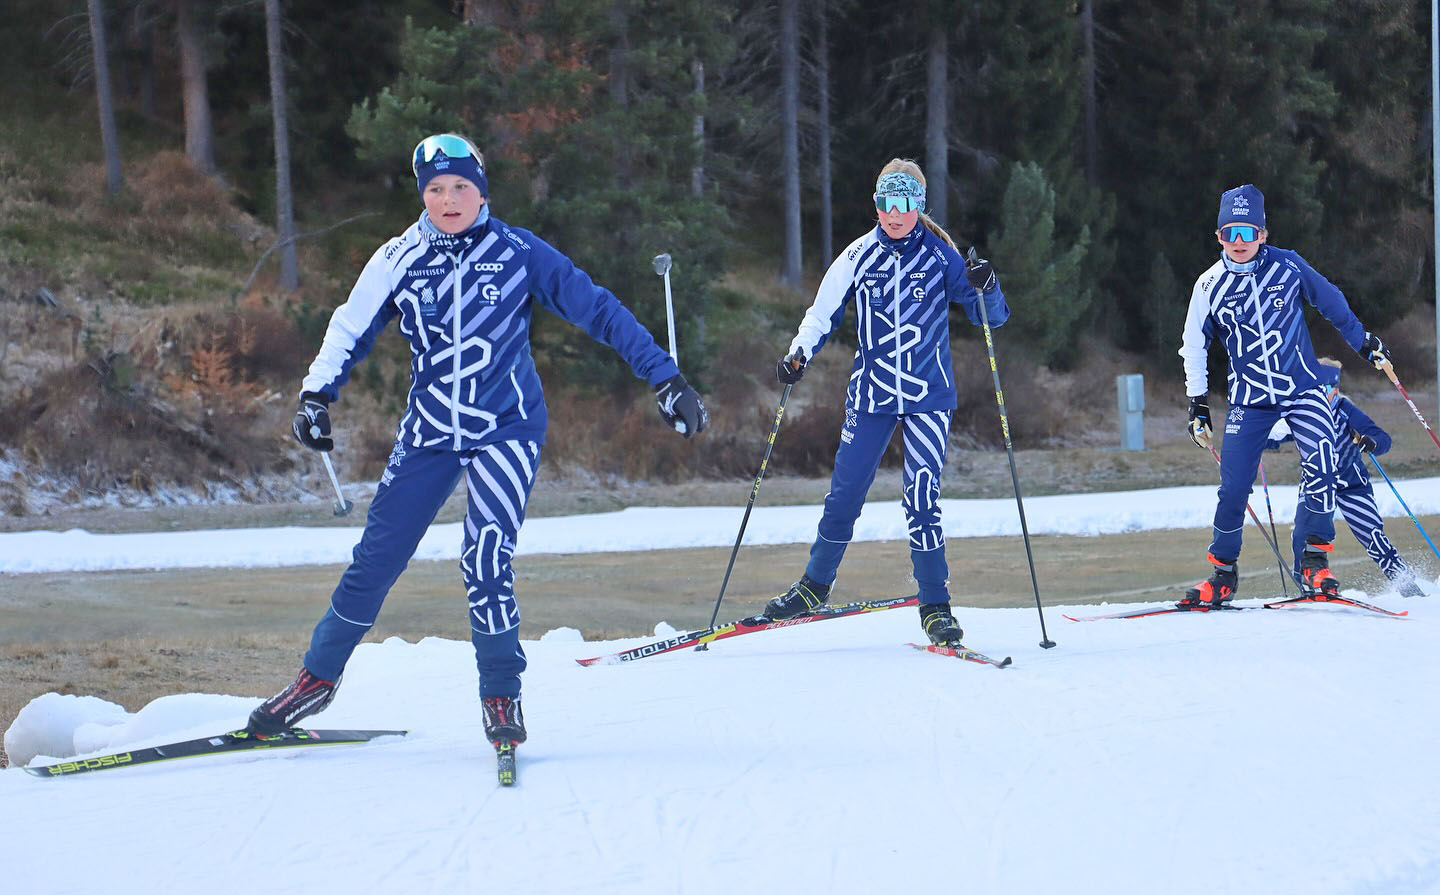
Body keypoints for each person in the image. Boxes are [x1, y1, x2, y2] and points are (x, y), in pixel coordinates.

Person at [248, 133, 708, 749]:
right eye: (435, 189)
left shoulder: (518, 251)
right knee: (374, 562)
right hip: (431, 432)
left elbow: (596, 308)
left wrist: (665, 376)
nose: (448, 199)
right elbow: (349, 325)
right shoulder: (396, 257)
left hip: (507, 428)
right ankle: (316, 680)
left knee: (485, 557)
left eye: (460, 186)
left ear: (481, 189)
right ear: (422, 196)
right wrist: (315, 396)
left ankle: (500, 693)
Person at [762, 158, 1010, 646]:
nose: (892, 215)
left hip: (927, 397)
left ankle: (935, 605)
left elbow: (992, 318)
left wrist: (988, 283)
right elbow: (821, 313)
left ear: (918, 206)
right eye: (883, 204)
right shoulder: (857, 256)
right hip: (872, 394)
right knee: (845, 494)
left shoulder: (942, 256)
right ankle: (814, 586)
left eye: (902, 204)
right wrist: (798, 354)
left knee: (921, 498)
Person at [1179, 183, 1389, 606]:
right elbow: (1194, 345)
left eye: (1248, 233)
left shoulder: (1288, 267)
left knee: (1324, 457)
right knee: (1234, 485)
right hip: (1249, 399)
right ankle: (1222, 574)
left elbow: (1332, 303)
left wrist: (1364, 342)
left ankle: (1315, 561)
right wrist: (1197, 404)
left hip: (1302, 388)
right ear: (1218, 237)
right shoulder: (1208, 286)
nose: (1239, 243)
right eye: (1229, 234)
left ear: (1263, 234)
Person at [1265, 358, 1425, 597]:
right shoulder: (1302, 412)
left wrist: (1371, 443)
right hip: (1316, 484)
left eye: (1329, 390)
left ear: (1336, 390)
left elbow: (1382, 438)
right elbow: (1273, 438)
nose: (1325, 395)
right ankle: (1308, 587)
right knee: (1302, 535)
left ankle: (1408, 587)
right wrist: (1255, 439)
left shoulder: (1344, 410)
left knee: (1373, 536)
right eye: (1318, 389)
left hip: (1351, 484)